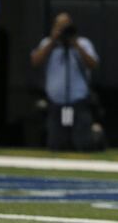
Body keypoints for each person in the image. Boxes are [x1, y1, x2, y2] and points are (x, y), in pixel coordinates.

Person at [30, 13, 99, 151]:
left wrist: (75, 45)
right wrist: (53, 40)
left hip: (78, 102)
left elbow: (93, 64)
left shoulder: (82, 43)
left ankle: (97, 134)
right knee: (56, 144)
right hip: (56, 103)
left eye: (66, 26)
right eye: (60, 26)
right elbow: (35, 61)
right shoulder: (47, 44)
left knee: (83, 145)